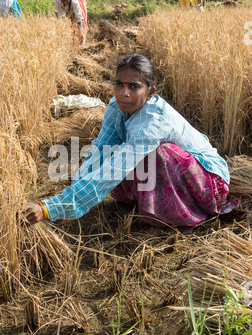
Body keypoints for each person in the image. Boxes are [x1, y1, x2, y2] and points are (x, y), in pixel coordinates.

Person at [21, 53, 237, 229]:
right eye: (119, 84)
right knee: (113, 153)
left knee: (157, 154)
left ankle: (179, 214)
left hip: (208, 183)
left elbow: (113, 171)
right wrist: (70, 204)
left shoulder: (152, 123)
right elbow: (100, 152)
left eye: (134, 86)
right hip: (176, 174)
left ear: (150, 92)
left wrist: (50, 207)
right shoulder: (116, 107)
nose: (124, 93)